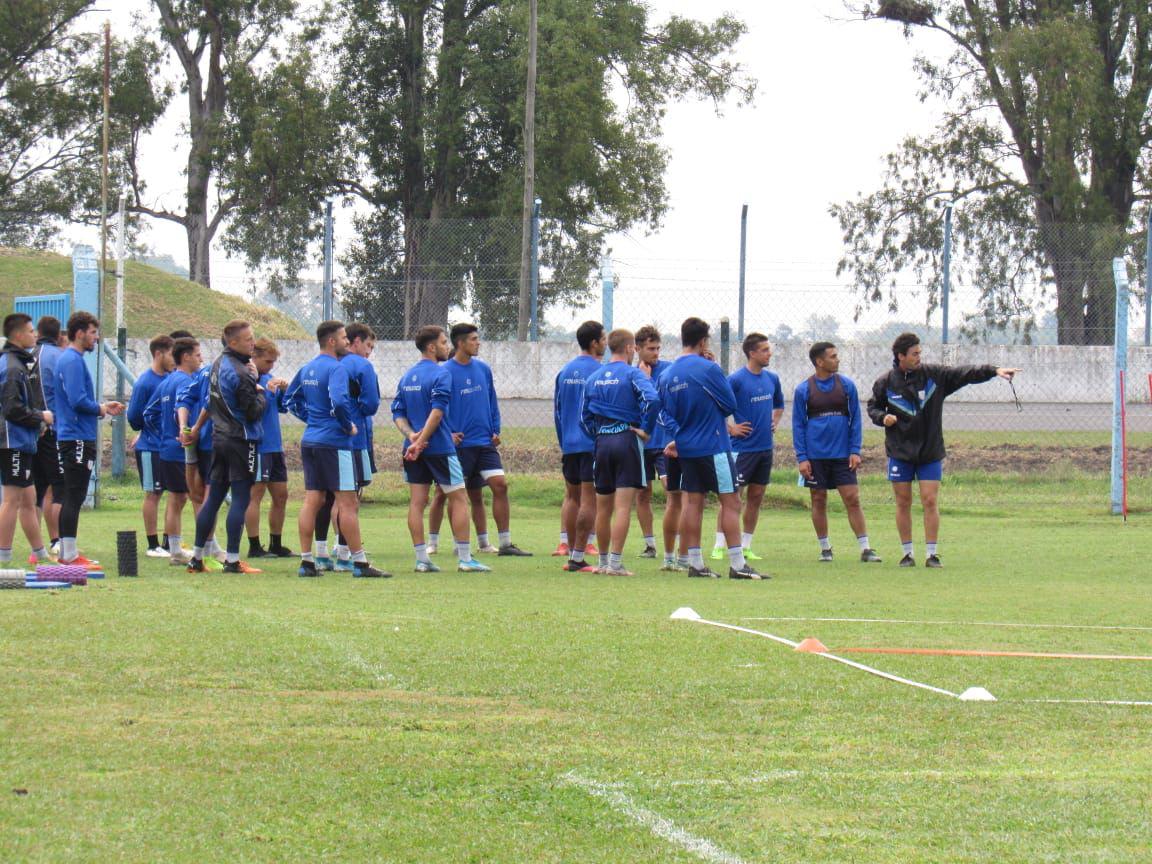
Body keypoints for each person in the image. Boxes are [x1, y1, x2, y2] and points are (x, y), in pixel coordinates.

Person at [867, 332, 1019, 568]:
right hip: (900, 452)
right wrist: (882, 417)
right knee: (903, 502)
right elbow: (873, 407)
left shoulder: (934, 376)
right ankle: (907, 554)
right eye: (914, 354)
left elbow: (965, 373)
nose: (919, 357)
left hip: (930, 451)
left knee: (929, 500)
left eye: (920, 353)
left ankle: (932, 554)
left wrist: (994, 371)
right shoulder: (885, 382)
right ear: (901, 356)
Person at [657, 317, 764, 580]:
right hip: (714, 446)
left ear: (683, 338)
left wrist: (680, 434)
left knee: (693, 503)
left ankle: (695, 564)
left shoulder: (666, 374)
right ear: (703, 341)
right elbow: (729, 405)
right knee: (731, 501)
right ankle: (738, 565)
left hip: (687, 449)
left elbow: (662, 413)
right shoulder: (709, 369)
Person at [285, 320, 389, 578]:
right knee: (348, 502)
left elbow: (290, 399)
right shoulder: (337, 368)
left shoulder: (307, 368)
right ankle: (359, 564)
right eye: (344, 338)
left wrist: (312, 419)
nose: (347, 342)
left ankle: (307, 561)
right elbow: (339, 401)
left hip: (311, 440)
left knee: (313, 500)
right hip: (335, 442)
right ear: (332, 341)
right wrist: (347, 425)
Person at [427, 323, 531, 557]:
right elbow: (435, 408)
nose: (478, 343)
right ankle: (449, 543)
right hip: (459, 446)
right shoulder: (445, 372)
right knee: (448, 494)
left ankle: (502, 544)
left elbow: (492, 400)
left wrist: (495, 429)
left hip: (484, 443)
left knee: (499, 485)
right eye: (474, 339)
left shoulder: (483, 369)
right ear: (460, 343)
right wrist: (448, 433)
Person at [392, 325, 487, 573]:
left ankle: (422, 560)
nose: (448, 347)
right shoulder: (441, 374)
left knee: (417, 503)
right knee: (459, 498)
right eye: (444, 342)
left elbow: (398, 413)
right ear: (432, 347)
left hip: (413, 450)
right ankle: (465, 559)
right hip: (439, 448)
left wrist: (411, 437)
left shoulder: (407, 376)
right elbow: (437, 412)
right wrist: (421, 440)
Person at [184, 321, 270, 574]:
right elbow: (252, 411)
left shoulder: (217, 365)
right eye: (248, 339)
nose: (253, 343)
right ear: (233, 342)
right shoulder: (242, 373)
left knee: (214, 497)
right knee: (241, 498)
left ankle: (196, 558)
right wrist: (260, 390)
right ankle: (232, 560)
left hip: (219, 439)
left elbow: (210, 402)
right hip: (241, 439)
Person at [581, 328, 661, 576]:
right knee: (623, 506)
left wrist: (598, 434)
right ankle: (615, 564)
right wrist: (645, 429)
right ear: (629, 348)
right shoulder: (633, 374)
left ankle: (603, 562)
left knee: (603, 507)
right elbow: (652, 400)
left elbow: (584, 417)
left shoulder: (594, 377)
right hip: (626, 440)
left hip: (602, 443)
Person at [793, 342, 882, 564]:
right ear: (819, 361)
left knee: (852, 498)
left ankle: (866, 548)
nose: (837, 359)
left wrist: (855, 450)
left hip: (842, 455)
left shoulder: (847, 386)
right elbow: (798, 425)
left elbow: (856, 420)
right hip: (815, 456)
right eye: (832, 356)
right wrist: (802, 458)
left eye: (836, 355)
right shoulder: (803, 390)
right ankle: (825, 549)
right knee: (818, 499)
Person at [54, 311, 124, 567]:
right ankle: (69, 555)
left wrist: (101, 406)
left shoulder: (69, 359)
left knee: (72, 494)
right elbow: (77, 400)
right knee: (74, 495)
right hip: (77, 437)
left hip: (74, 435)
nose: (96, 337)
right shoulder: (72, 360)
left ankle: (67, 552)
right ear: (80, 333)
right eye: (93, 332)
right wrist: (101, 408)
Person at [708, 332, 785, 562]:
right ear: (752, 353)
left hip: (765, 449)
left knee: (757, 496)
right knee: (732, 498)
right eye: (765, 350)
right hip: (741, 450)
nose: (769, 353)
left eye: (769, 349)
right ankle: (719, 545)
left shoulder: (772, 379)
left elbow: (779, 405)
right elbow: (715, 408)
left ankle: (746, 545)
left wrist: (774, 421)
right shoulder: (736, 380)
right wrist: (731, 429)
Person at [0, 313, 54, 566]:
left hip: (23, 441)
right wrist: (40, 416)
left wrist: (37, 425)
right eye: (31, 331)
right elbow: (12, 409)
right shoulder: (11, 367)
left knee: (29, 499)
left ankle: (40, 553)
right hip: (12, 443)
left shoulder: (18, 363)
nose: (35, 335)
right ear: (19, 335)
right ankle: (4, 554)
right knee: (11, 500)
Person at [552, 320, 605, 573]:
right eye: (603, 339)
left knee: (572, 497)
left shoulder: (564, 372)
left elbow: (557, 412)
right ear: (594, 343)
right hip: (591, 443)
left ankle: (573, 551)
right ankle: (578, 557)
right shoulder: (600, 372)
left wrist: (564, 441)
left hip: (570, 444)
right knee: (589, 498)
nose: (605, 344)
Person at [328, 322, 380, 570]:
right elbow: (371, 403)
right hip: (355, 438)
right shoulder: (361, 366)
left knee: (334, 497)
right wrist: (356, 411)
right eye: (368, 345)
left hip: (326, 437)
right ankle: (345, 550)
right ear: (356, 341)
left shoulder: (328, 363)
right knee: (350, 497)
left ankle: (333, 546)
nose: (369, 352)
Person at [145, 336, 201, 565]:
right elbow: (181, 410)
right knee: (192, 497)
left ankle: (176, 549)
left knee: (177, 499)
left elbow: (149, 413)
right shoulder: (186, 382)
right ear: (186, 357)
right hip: (181, 449)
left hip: (167, 448)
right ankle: (198, 548)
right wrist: (182, 431)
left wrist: (163, 435)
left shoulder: (167, 382)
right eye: (197, 355)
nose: (201, 359)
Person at [244, 338, 292, 559]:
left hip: (275, 447)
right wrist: (269, 392)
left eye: (273, 362)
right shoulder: (247, 379)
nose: (271, 366)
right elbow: (252, 411)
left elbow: (282, 408)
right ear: (254, 357)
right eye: (268, 361)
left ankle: (276, 544)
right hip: (259, 445)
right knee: (255, 494)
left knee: (281, 495)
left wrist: (284, 390)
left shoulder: (269, 378)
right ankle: (254, 546)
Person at [126, 335, 174, 557]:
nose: (174, 359)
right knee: (153, 493)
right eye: (171, 354)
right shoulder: (145, 383)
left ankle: (169, 542)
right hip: (150, 447)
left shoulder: (172, 378)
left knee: (175, 494)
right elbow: (134, 417)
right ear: (158, 354)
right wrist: (147, 431)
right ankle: (152, 544)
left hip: (168, 448)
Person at [632, 325, 675, 562]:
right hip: (641, 443)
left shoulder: (669, 370)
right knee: (642, 493)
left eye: (658, 348)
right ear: (637, 349)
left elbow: (664, 402)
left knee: (672, 491)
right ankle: (650, 545)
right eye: (651, 349)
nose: (656, 353)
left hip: (665, 441)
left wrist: (647, 381)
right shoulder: (631, 374)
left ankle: (674, 544)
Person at [30, 316, 67, 556]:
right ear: (58, 335)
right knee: (60, 487)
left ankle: (40, 545)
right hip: (53, 430)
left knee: (38, 489)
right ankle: (60, 540)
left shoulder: (28, 356)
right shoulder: (56, 357)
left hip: (31, 430)